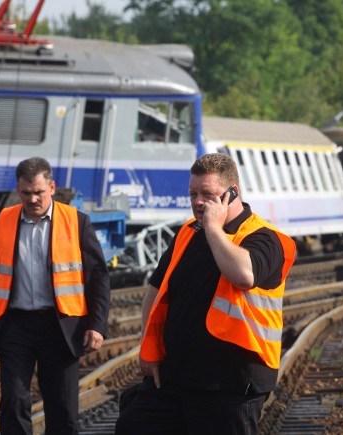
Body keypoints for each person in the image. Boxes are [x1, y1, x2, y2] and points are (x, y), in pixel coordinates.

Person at [115, 153, 296, 435]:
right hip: (176, 375)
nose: (198, 202)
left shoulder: (265, 238)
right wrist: (148, 348)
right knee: (132, 426)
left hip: (231, 383)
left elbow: (244, 275)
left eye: (208, 194)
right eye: (193, 194)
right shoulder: (188, 233)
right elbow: (156, 289)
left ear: (232, 193)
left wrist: (213, 228)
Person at [0, 157, 110, 434]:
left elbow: (98, 277)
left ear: (52, 187)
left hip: (61, 327)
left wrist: (96, 325)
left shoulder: (76, 222)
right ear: (18, 190)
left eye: (39, 192)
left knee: (63, 407)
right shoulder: (1, 222)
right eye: (26, 193)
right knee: (14, 401)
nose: (32, 199)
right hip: (15, 327)